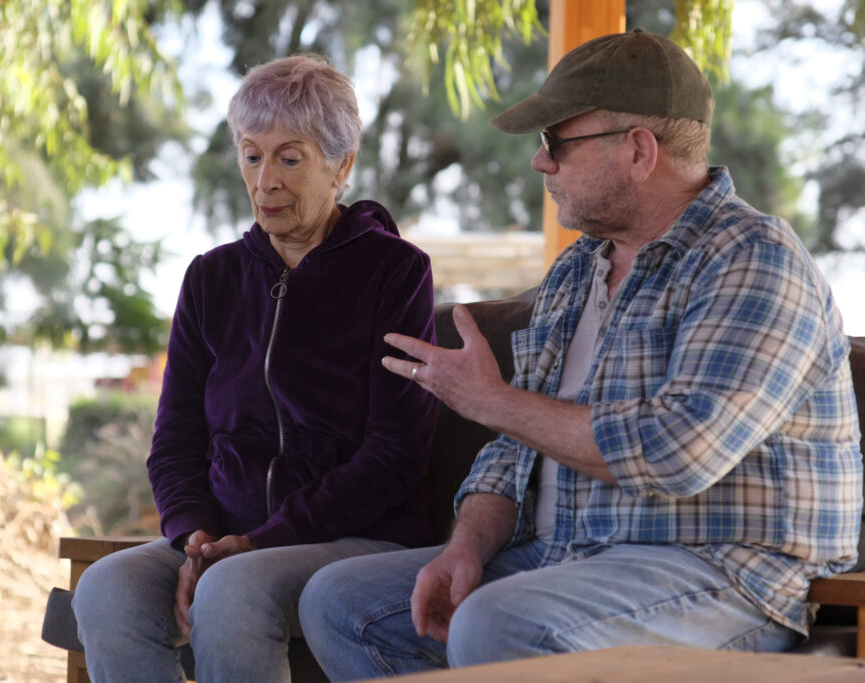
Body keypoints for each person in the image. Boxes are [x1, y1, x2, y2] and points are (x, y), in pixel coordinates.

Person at [299, 29, 863, 680]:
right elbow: (513, 450)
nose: (540, 163)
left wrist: (492, 399)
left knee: (498, 623)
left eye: (556, 142)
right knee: (343, 602)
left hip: (720, 574)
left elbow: (679, 450)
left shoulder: (754, 259)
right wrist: (466, 548)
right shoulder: (576, 271)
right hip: (561, 557)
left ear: (638, 150)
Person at [71, 53, 438, 683]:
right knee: (107, 588)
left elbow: (394, 455)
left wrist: (263, 539)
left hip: (355, 536)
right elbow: (175, 442)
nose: (264, 180)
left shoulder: (395, 272)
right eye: (250, 154)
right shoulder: (211, 277)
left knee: (233, 590)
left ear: (341, 165)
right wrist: (193, 535)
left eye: (289, 158)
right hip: (225, 537)